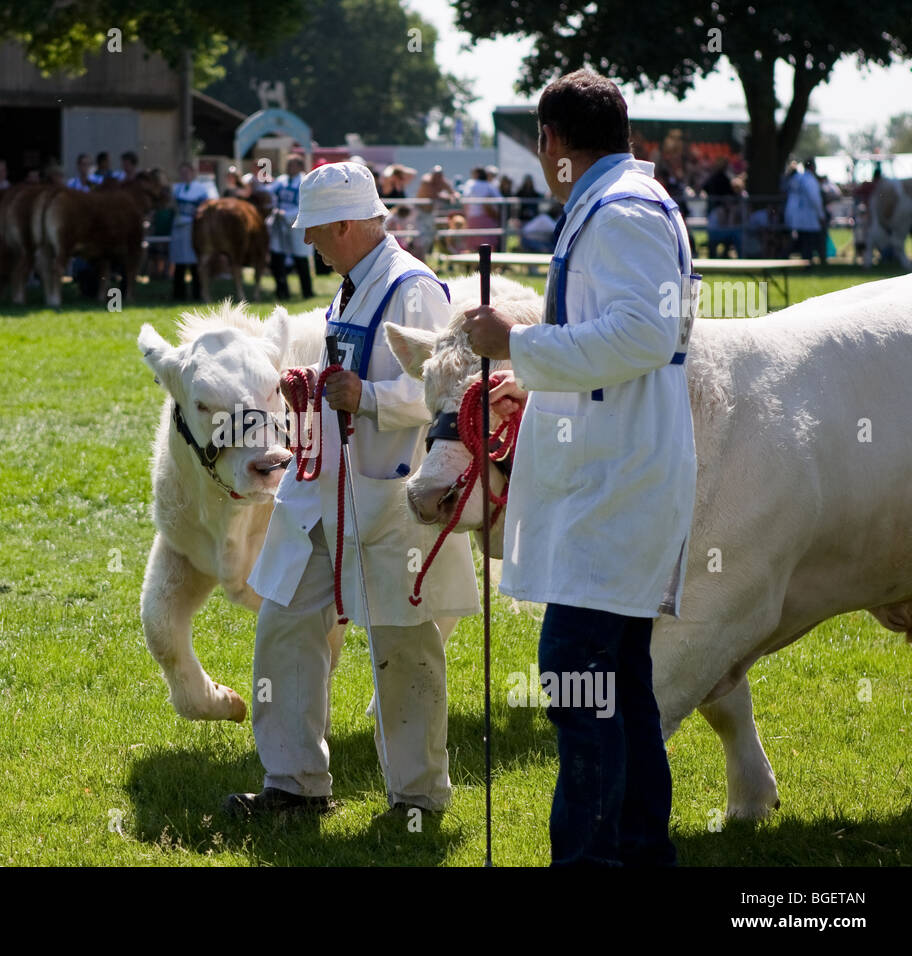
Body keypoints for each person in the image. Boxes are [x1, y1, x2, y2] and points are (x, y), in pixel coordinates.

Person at [463, 69, 697, 867]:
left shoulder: (621, 209)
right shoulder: (621, 200)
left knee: (575, 675)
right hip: (618, 468)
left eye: (541, 144)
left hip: (617, 478)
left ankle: (595, 859)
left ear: (551, 141)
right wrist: (524, 372)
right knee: (619, 678)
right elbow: (612, 338)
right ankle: (637, 850)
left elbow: (638, 335)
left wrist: (517, 344)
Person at [225, 161, 480, 821]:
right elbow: (352, 366)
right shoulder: (352, 286)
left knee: (403, 646)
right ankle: (294, 786)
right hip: (325, 494)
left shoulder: (412, 289)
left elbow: (447, 389)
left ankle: (418, 799)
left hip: (390, 500)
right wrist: (313, 377)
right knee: (284, 626)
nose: (307, 242)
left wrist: (366, 397)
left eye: (314, 230)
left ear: (344, 224)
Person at [266, 154, 314, 300]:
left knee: (300, 259)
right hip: (280, 225)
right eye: (287, 164)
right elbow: (268, 191)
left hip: (296, 225)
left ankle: (307, 292)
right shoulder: (282, 180)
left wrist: (286, 214)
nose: (288, 168)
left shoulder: (304, 182)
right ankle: (282, 291)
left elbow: (305, 206)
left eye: (291, 164)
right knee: (277, 256)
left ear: (299, 166)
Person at [169, 160, 216, 300]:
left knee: (194, 261)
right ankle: (179, 294)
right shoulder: (177, 188)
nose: (185, 175)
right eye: (182, 172)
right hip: (179, 226)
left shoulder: (201, 188)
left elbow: (206, 206)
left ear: (193, 173)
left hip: (193, 228)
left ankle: (197, 293)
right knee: (179, 262)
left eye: (187, 172)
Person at [784, 158, 825, 263]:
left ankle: (786, 258)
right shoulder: (810, 180)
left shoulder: (797, 178)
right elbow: (815, 199)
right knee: (808, 242)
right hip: (809, 216)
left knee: (799, 240)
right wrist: (821, 215)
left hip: (795, 214)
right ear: (813, 167)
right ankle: (808, 263)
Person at [461, 165, 502, 244]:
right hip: (488, 219)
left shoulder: (470, 183)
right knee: (489, 244)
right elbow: (500, 199)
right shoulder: (489, 185)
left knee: (474, 245)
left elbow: (465, 196)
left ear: (476, 174)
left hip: (474, 217)